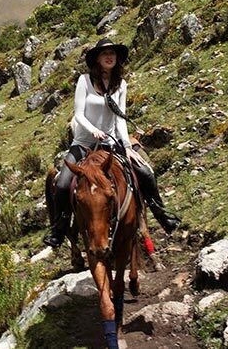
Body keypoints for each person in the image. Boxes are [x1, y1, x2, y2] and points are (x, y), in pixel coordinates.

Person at [43, 38, 181, 248]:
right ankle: (59, 230)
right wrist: (93, 131)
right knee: (62, 184)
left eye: (112, 54)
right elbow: (79, 114)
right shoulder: (84, 81)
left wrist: (126, 146)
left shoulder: (121, 85)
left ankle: (162, 215)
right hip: (83, 143)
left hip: (110, 143)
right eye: (104, 53)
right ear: (97, 59)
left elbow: (120, 118)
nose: (109, 57)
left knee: (145, 173)